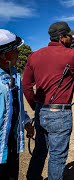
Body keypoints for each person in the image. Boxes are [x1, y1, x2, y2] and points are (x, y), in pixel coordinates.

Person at [22, 22, 74, 180]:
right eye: (69, 35)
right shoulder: (71, 54)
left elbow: (26, 85)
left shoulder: (34, 55)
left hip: (41, 111)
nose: (72, 38)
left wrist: (36, 106)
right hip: (60, 113)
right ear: (62, 38)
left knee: (40, 149)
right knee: (57, 157)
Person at [0, 29, 34, 179]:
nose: (18, 54)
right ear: (4, 55)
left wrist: (26, 122)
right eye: (14, 51)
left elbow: (15, 106)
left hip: (11, 142)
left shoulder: (14, 75)